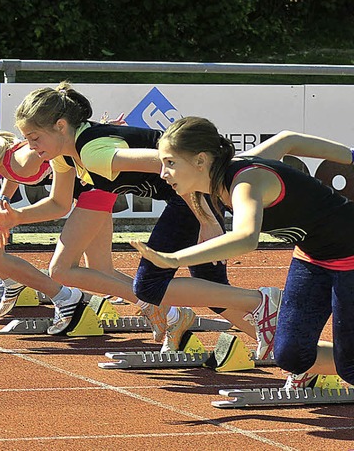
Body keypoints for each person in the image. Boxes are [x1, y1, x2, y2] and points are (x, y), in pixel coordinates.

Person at [0, 82, 252, 353]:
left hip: (195, 193)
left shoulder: (93, 152)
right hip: (189, 196)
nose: (30, 146)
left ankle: (266, 320)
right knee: (205, 287)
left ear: (61, 126)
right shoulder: (64, 154)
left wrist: (207, 220)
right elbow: (59, 204)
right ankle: (272, 332)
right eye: (26, 138)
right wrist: (16, 217)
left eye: (35, 138)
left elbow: (167, 162)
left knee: (154, 285)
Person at [130, 116, 354, 388]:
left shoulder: (245, 182)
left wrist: (174, 259)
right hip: (311, 257)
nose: (163, 173)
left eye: (171, 163)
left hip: (349, 258)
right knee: (291, 357)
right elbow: (286, 139)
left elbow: (246, 238)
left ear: (201, 161)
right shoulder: (217, 180)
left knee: (350, 367)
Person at [0, 118, 187, 343]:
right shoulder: (5, 161)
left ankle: (162, 308)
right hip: (93, 189)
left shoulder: (24, 159)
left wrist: (93, 131)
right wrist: (3, 199)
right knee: (100, 269)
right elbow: (20, 174)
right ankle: (172, 311)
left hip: (94, 189)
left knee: (61, 270)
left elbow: (56, 145)